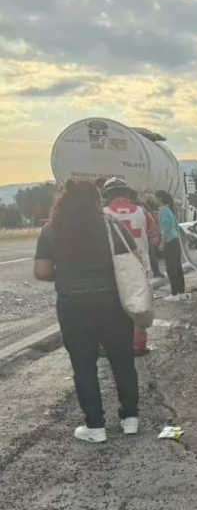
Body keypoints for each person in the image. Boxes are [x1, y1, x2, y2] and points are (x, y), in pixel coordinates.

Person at [33, 179, 140, 443]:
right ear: (97, 200)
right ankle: (130, 419)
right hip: (113, 302)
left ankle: (95, 426)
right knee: (123, 360)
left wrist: (67, 274)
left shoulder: (51, 230)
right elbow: (133, 259)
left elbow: (42, 271)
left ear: (63, 201)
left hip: (73, 306)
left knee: (83, 366)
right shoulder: (112, 226)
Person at [102, 178, 153, 356]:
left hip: (115, 269)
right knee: (139, 304)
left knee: (114, 306)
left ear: (107, 195)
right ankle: (139, 345)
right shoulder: (142, 211)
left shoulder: (103, 213)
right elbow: (155, 236)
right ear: (127, 193)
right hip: (140, 266)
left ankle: (115, 345)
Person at [155, 190, 188, 302]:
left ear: (160, 199)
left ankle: (174, 293)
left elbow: (166, 229)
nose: (155, 200)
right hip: (175, 241)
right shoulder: (170, 210)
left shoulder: (164, 211)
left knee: (170, 268)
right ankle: (181, 292)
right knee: (177, 268)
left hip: (170, 242)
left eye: (156, 198)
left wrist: (162, 243)